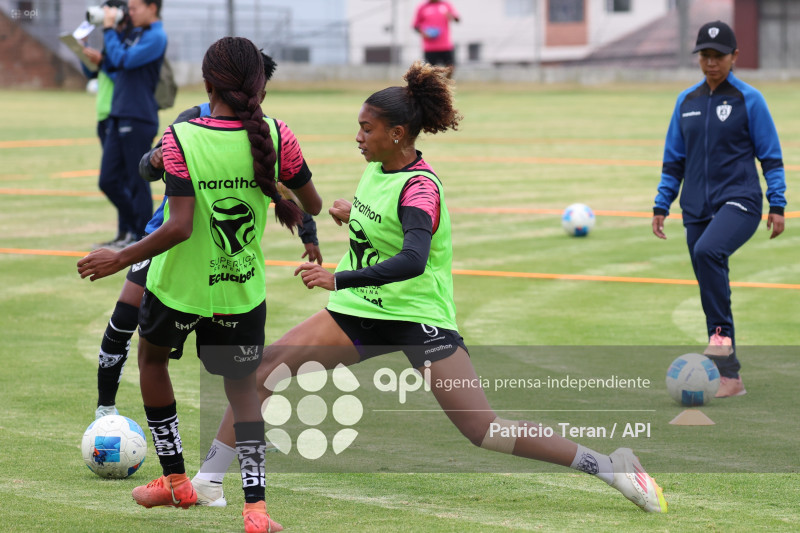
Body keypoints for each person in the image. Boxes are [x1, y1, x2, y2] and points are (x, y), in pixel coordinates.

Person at [197, 62, 668, 520]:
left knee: (483, 429)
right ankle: (209, 482)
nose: (358, 137)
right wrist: (351, 214)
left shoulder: (421, 189)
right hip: (361, 312)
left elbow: (412, 260)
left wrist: (338, 278)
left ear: (398, 132)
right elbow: (381, 228)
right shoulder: (377, 168)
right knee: (264, 369)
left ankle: (609, 466)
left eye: (366, 128)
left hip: (419, 318)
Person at [78, 36, 322, 533]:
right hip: (241, 289)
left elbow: (179, 226)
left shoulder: (182, 136)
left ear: (207, 83)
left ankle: (175, 481)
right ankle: (256, 511)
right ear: (259, 86)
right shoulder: (278, 135)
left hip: (179, 288)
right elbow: (311, 204)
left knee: (151, 361)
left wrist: (118, 256)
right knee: (243, 393)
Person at [652, 20, 787, 398]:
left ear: (734, 57)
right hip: (695, 207)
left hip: (740, 200)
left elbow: (771, 158)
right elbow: (673, 162)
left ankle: (727, 370)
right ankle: (730, 374)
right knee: (712, 286)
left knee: (708, 251)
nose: (711, 63)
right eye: (705, 56)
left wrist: (777, 203)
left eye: (719, 56)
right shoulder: (687, 102)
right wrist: (662, 203)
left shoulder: (750, 100)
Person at [95, 0, 167, 249]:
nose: (131, 12)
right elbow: (112, 63)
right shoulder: (134, 32)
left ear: (152, 8)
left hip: (138, 116)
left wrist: (108, 31)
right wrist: (114, 27)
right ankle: (132, 228)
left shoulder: (156, 37)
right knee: (108, 180)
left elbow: (124, 60)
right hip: (119, 114)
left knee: (137, 181)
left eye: (135, 7)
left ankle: (141, 238)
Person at [80, 0, 130, 152]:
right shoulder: (111, 40)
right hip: (103, 112)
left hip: (117, 112)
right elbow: (92, 73)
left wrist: (102, 62)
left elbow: (123, 76)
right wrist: (83, 50)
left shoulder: (124, 42)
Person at [413, 0, 460, 77]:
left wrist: (451, 16)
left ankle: (446, 83)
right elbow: (415, 26)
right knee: (429, 72)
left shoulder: (446, 5)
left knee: (451, 67)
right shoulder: (422, 7)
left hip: (445, 45)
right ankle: (432, 86)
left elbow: (457, 19)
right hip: (430, 47)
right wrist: (424, 33)